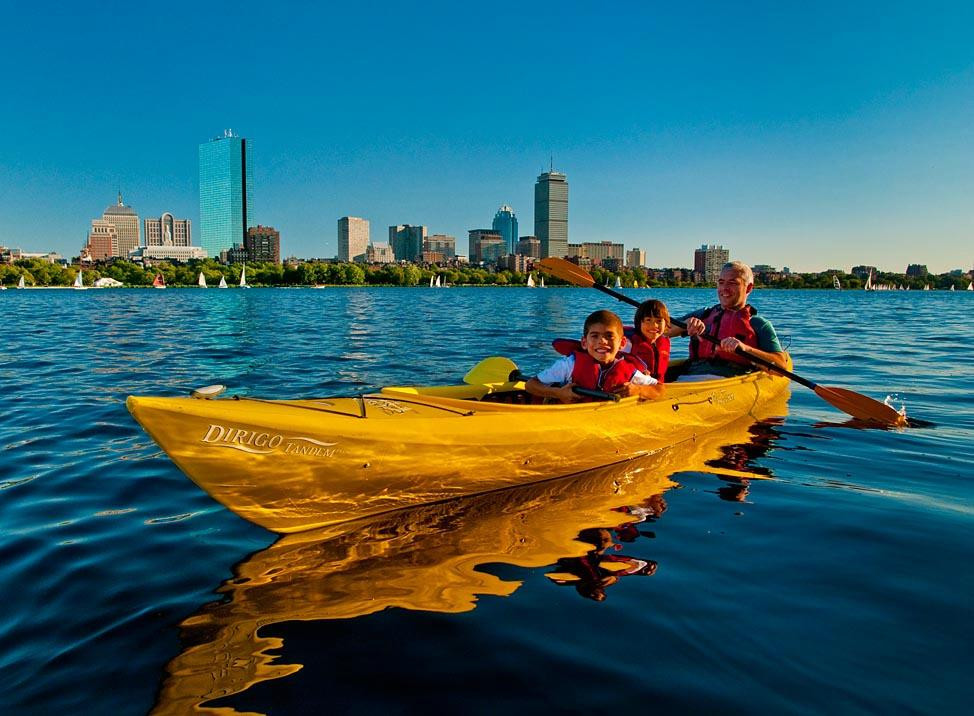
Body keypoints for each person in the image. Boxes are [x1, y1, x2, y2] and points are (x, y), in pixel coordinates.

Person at [667, 261, 789, 379]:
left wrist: (745, 348)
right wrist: (685, 324)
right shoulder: (703, 314)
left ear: (748, 288)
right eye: (721, 282)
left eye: (732, 283)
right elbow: (660, 331)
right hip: (690, 376)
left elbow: (781, 367)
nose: (724, 288)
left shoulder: (759, 324)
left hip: (729, 380)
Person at [526, 309, 664, 402]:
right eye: (595, 336)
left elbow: (660, 389)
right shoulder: (569, 364)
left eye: (609, 336)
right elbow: (531, 385)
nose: (602, 341)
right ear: (584, 343)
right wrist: (558, 393)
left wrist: (638, 390)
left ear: (622, 343)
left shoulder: (630, 371)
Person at [623, 299, 671, 382]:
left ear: (666, 323)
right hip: (635, 385)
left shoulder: (664, 342)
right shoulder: (628, 342)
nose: (654, 325)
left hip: (657, 387)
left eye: (659, 321)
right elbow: (616, 364)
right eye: (648, 320)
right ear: (639, 322)